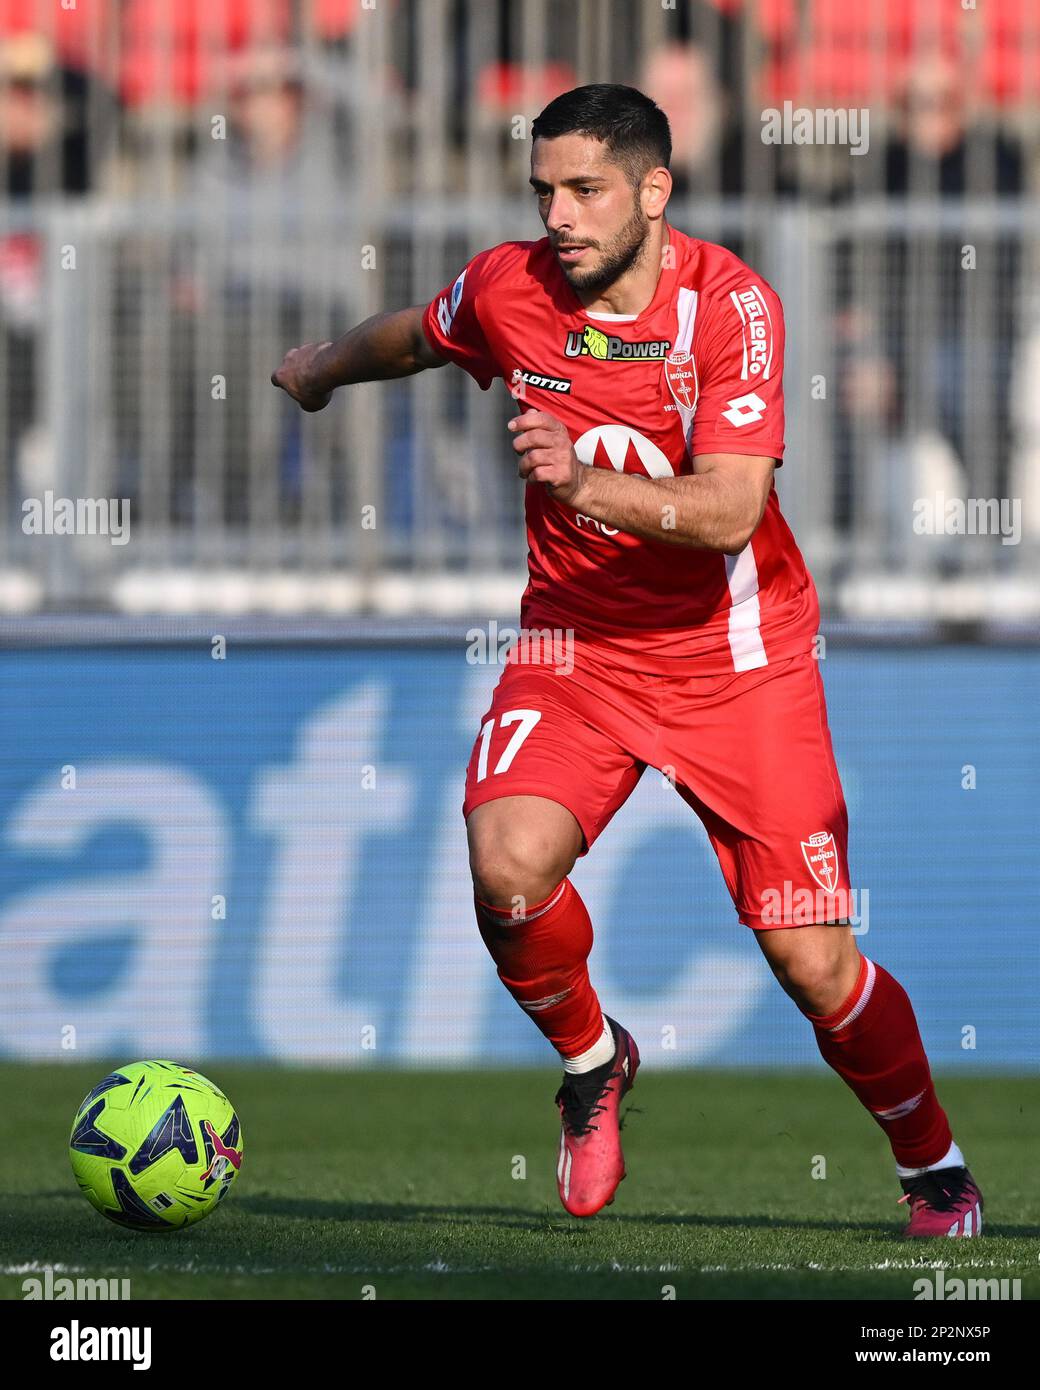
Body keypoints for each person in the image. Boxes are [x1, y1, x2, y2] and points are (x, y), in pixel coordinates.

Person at [272, 83, 983, 1238]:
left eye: (585, 189)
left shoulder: (729, 306)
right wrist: (320, 368)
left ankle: (929, 1162)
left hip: (735, 661)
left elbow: (728, 509)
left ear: (655, 192)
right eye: (543, 189)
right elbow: (421, 330)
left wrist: (581, 481)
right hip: (576, 647)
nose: (558, 214)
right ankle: (592, 1059)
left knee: (811, 963)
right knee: (506, 864)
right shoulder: (512, 286)